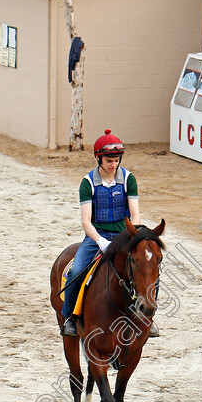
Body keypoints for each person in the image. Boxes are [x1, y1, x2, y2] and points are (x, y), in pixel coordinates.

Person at [61, 129, 157, 338]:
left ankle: (149, 318)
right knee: (76, 271)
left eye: (116, 160)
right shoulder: (88, 183)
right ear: (99, 159)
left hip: (125, 235)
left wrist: (134, 237)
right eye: (109, 161)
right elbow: (86, 221)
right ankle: (70, 317)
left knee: (149, 267)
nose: (113, 165)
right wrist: (100, 241)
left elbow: (135, 214)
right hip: (97, 236)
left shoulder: (129, 178)